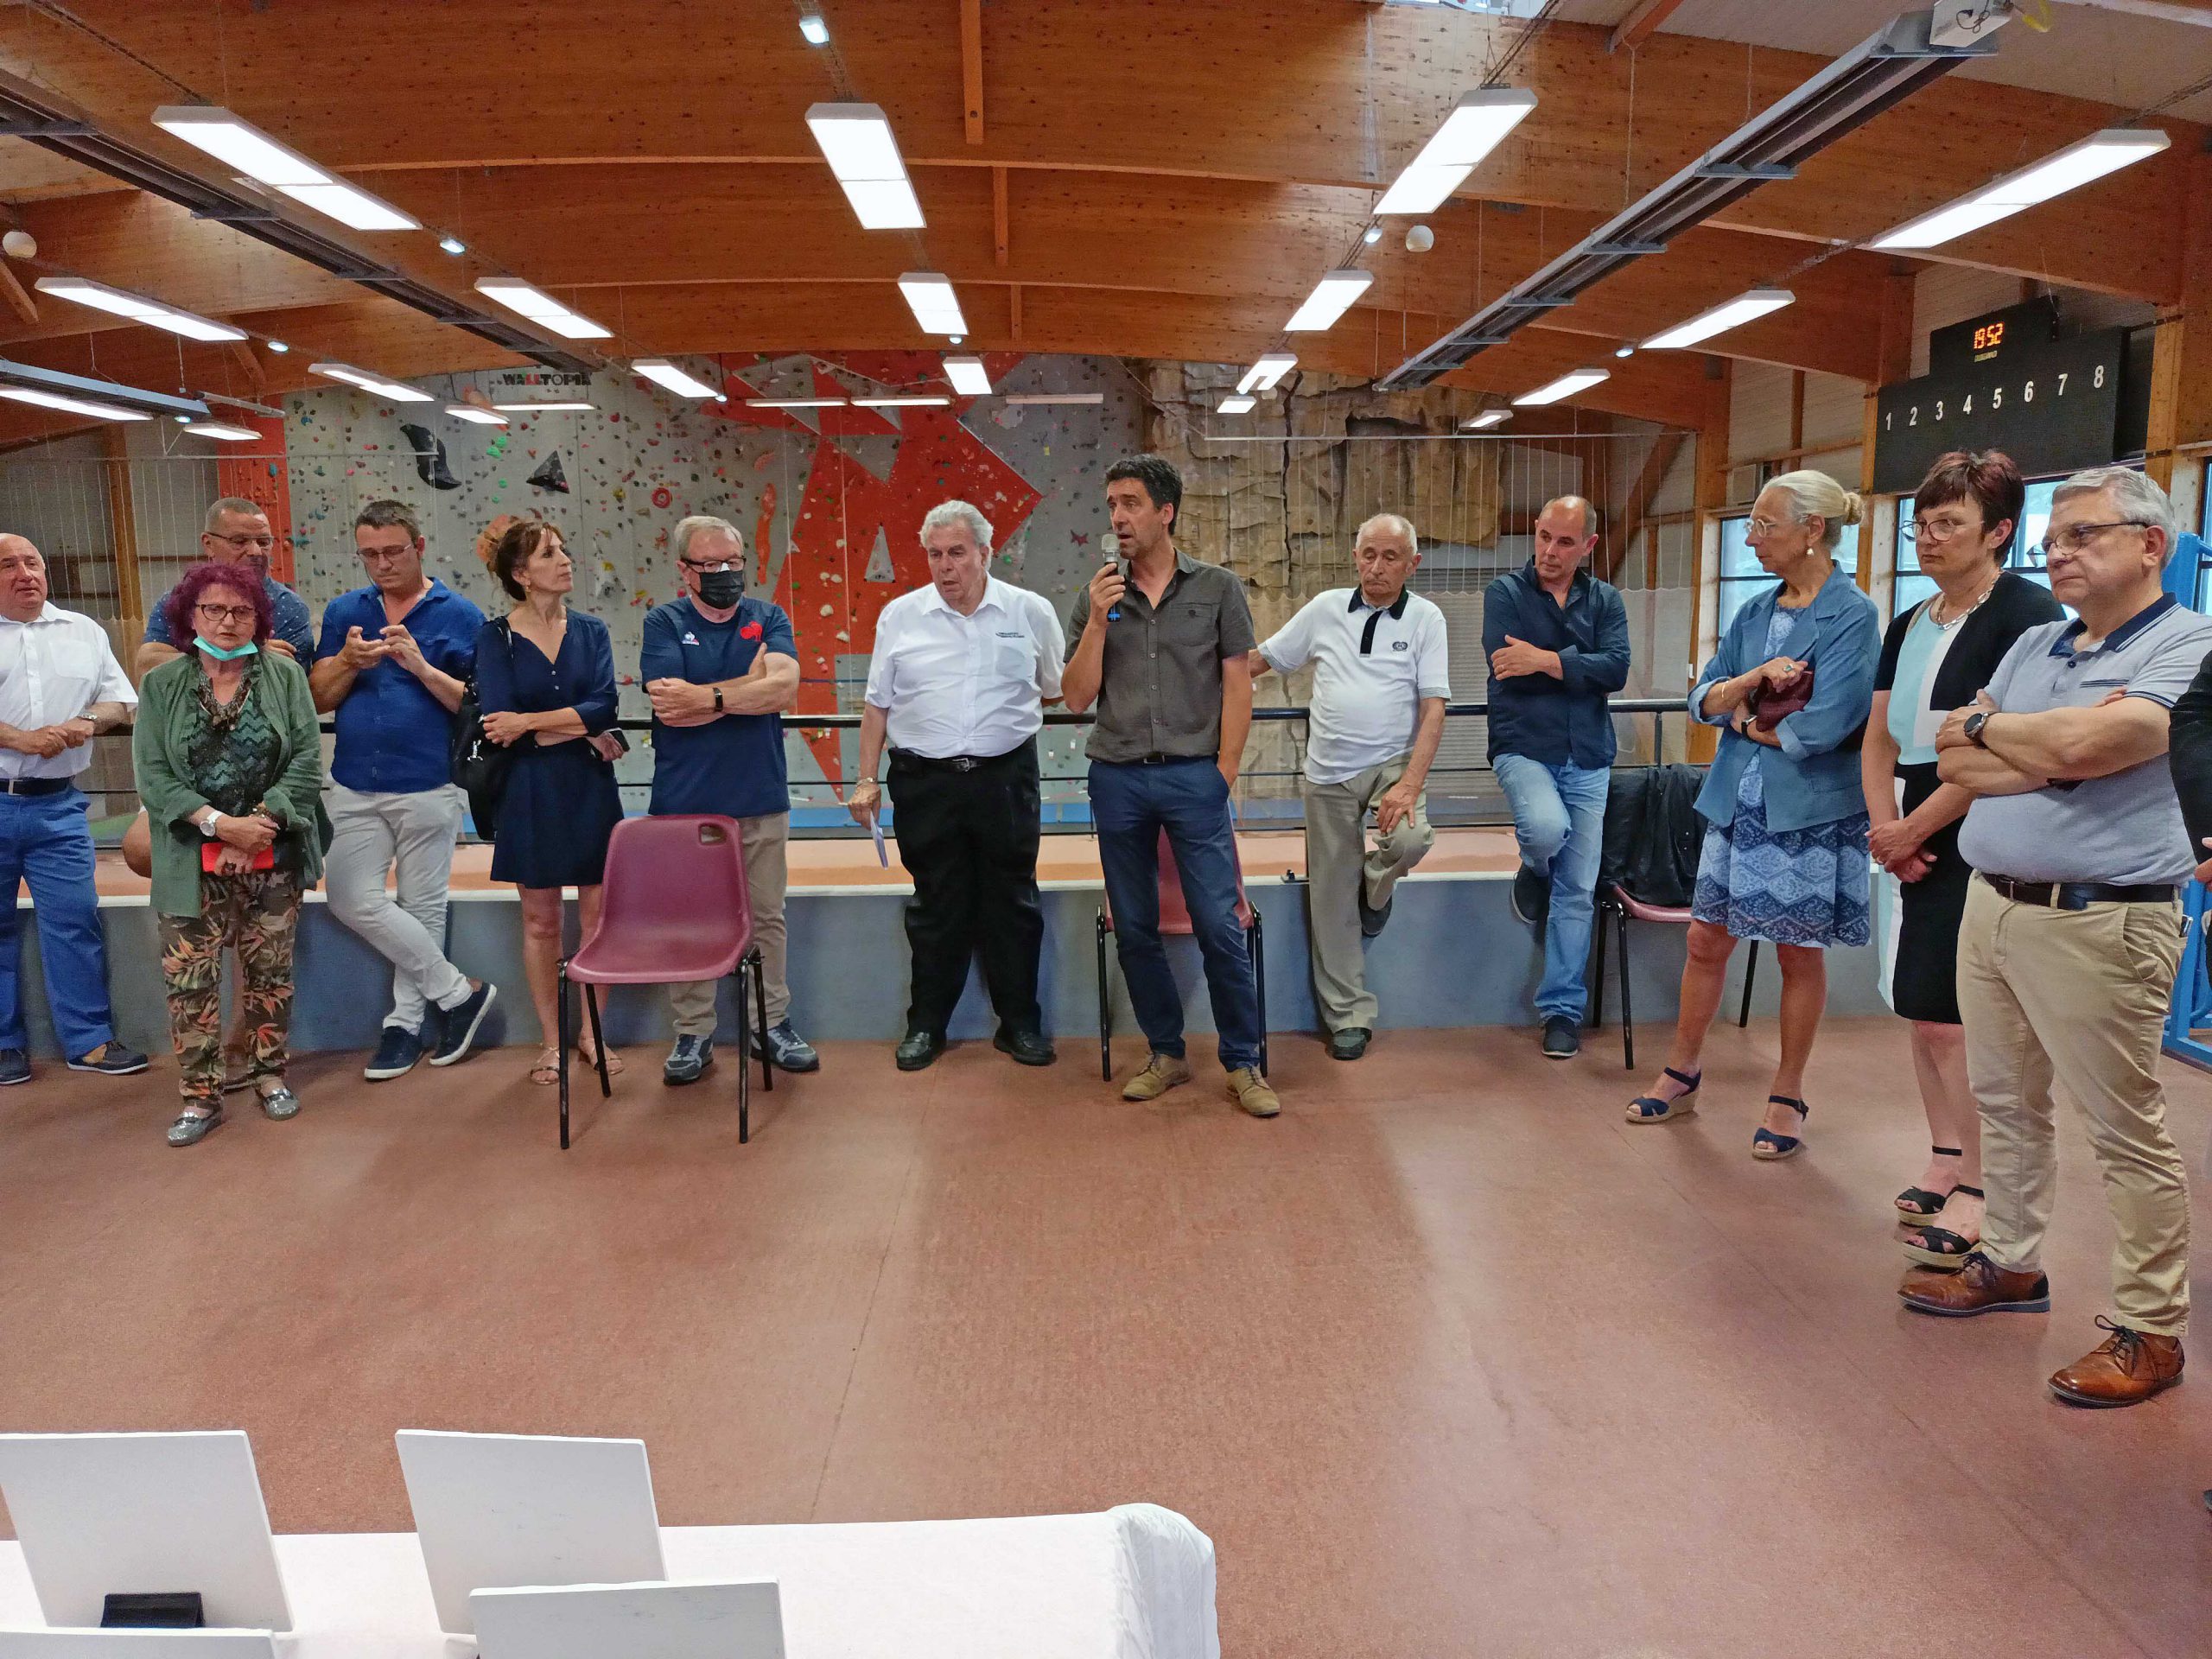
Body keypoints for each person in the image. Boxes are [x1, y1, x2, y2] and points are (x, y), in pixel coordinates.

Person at [1900, 467, 2212, 1408]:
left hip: (2102, 917)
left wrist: (2017, 736)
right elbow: (1953, 754)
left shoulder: (2189, 643)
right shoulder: (2037, 640)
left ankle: (2151, 1330)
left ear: (2150, 544)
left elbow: (2091, 747)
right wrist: (2035, 743)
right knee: (2004, 1102)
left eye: (2083, 535)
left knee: (2124, 1130)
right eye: (2052, 539)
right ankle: (2010, 1261)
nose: (2058, 554)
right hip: (1991, 904)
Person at [1626, 471, 1877, 1156]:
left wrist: (1740, 721)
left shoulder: (1853, 615)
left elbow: (1824, 726)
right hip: (1737, 803)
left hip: (1807, 810)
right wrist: (1748, 684)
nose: (1752, 538)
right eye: (1752, 525)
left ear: (1813, 530)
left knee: (1797, 953)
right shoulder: (1754, 611)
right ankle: (1682, 1070)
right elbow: (1703, 698)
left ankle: (1787, 1093)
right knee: (1705, 941)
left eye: (1765, 525)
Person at [1861, 452, 2063, 1265]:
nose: (1928, 538)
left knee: (1959, 1018)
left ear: (2000, 531)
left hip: (1980, 813)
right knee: (1922, 1006)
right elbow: (1879, 737)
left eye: (1949, 524)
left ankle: (1981, 1185)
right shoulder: (1912, 620)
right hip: (1909, 815)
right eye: (1922, 524)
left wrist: (1917, 830)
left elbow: (2006, 751)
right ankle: (1945, 1153)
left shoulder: (2028, 613)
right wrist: (1888, 827)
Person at [1062, 454, 1279, 1118]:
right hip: (1117, 779)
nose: (1118, 517)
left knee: (1219, 923)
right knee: (1134, 927)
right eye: (1111, 505)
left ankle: (1243, 1062)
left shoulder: (1217, 589)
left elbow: (1238, 683)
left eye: (1130, 503)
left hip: (1194, 778)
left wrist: (1225, 772)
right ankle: (1166, 1053)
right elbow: (1076, 697)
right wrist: (1096, 622)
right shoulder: (1096, 596)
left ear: (1166, 511)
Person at [848, 500, 1065, 1071]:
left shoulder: (1031, 611)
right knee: (935, 907)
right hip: (924, 783)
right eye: (935, 554)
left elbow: (1053, 688)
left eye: (957, 553)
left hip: (1005, 779)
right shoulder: (900, 616)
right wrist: (866, 779)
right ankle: (926, 1026)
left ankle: (1020, 1026)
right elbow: (876, 706)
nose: (945, 566)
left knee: (1013, 903)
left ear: (986, 554)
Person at [132, 563, 325, 1145]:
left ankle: (270, 1076)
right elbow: (154, 776)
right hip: (188, 855)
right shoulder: (162, 685)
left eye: (241, 611)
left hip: (273, 849)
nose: (226, 621)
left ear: (258, 619)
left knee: (270, 973)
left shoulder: (284, 676)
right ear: (189, 617)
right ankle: (200, 1097)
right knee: (189, 980)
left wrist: (258, 826)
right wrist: (221, 827)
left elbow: (306, 762)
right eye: (213, 609)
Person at [1252, 512, 1448, 1061]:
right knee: (1330, 897)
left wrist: (1408, 786)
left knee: (1410, 840)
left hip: (1393, 767)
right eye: (1368, 554)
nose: (1377, 567)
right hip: (1328, 773)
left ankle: (1375, 886)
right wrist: (1202, 671)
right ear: (1355, 557)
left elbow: (1434, 709)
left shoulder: (1427, 618)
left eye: (1390, 557)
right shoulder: (1325, 609)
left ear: (1412, 564)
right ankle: (1349, 1017)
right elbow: (1262, 660)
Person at [311, 500, 495, 1081]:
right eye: (370, 554)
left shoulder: (461, 615)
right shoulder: (346, 611)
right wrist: (347, 660)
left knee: (423, 906)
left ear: (419, 547)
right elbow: (318, 696)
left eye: (393, 551)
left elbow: (478, 706)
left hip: (429, 781)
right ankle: (459, 994)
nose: (382, 563)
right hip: (354, 782)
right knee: (348, 896)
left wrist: (420, 666)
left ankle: (403, 1026)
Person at [640, 514, 817, 1082]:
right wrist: (745, 687)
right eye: (711, 564)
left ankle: (772, 1023)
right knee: (690, 920)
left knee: (767, 918)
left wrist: (706, 697)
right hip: (685, 804)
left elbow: (783, 689)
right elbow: (671, 708)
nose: (724, 573)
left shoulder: (769, 616)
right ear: (685, 571)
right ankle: (693, 1032)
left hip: (760, 797)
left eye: (733, 562)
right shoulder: (663, 622)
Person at [474, 518, 626, 1086]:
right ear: (521, 573)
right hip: (528, 789)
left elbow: (604, 707)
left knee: (597, 918)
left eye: (562, 549)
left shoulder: (592, 630)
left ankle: (593, 1033)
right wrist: (579, 729)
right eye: (549, 554)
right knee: (541, 922)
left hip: (589, 786)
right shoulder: (496, 637)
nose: (564, 560)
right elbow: (499, 723)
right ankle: (551, 1042)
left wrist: (534, 723)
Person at [1484, 495, 1631, 1060]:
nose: (1549, 550)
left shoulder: (1606, 600)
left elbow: (1616, 669)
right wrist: (1577, 665)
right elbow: (1506, 666)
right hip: (1524, 747)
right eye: (1544, 536)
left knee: (1577, 891)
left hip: (1589, 754)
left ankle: (1561, 1011)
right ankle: (1533, 864)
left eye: (1564, 541)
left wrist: (1546, 660)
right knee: (1545, 829)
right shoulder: (1505, 593)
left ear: (1588, 546)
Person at [0, 533, 144, 1086]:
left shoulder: (83, 631)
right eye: (8, 565)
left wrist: (84, 722)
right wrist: (17, 738)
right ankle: (4, 1045)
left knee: (75, 922)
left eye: (32, 562)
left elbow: (120, 700)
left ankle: (88, 1041)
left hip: (59, 807)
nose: (25, 573)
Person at [135, 497, 314, 677]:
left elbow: (288, 679)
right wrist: (241, 655)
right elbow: (146, 666)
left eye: (263, 542)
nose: (255, 552)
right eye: (239, 541)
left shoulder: (289, 606)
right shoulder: (180, 600)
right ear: (208, 544)